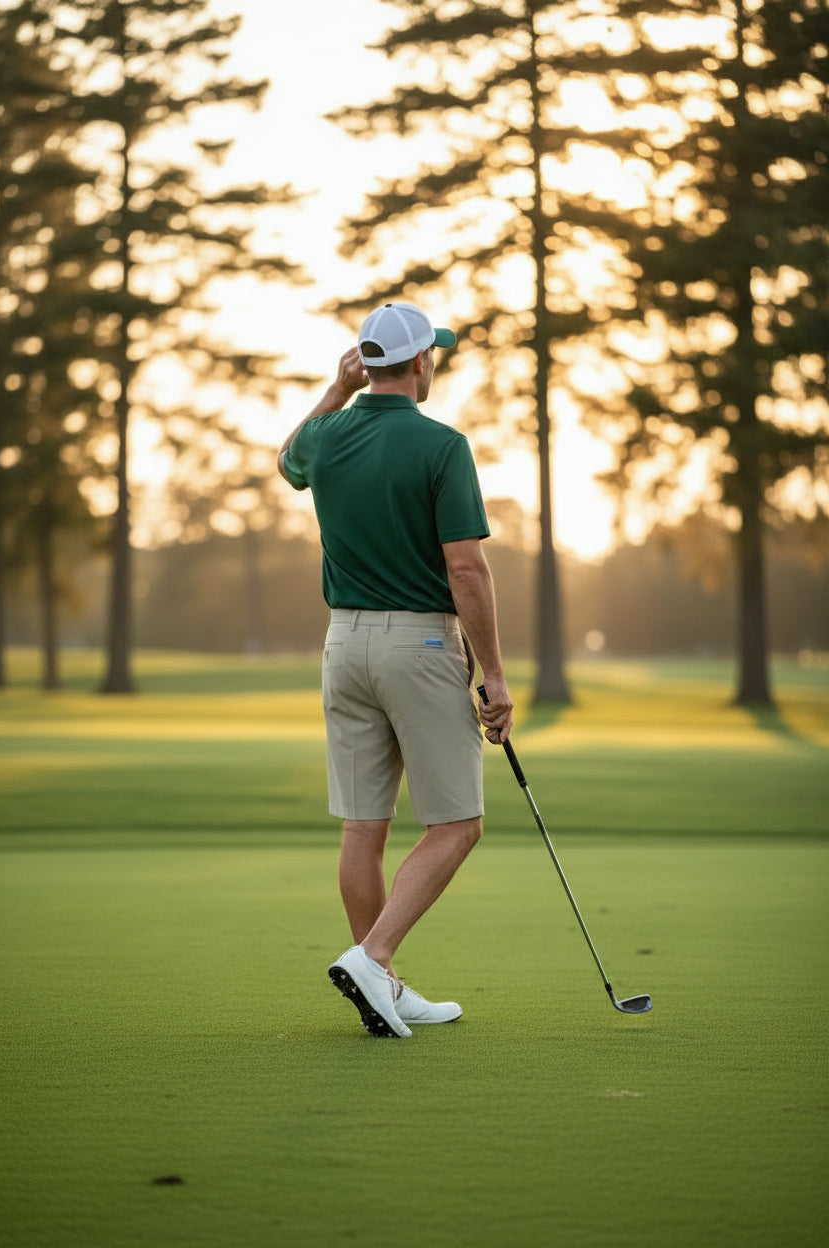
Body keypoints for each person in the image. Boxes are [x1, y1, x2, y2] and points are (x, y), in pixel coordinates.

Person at [277, 301, 513, 1039]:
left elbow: (288, 463)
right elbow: (468, 572)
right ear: (418, 364)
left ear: (363, 365)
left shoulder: (327, 434)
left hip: (343, 644)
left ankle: (383, 981)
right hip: (420, 647)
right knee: (458, 824)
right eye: (432, 355)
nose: (434, 363)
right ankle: (374, 959)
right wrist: (496, 677)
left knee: (363, 825)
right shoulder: (442, 446)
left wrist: (332, 391)